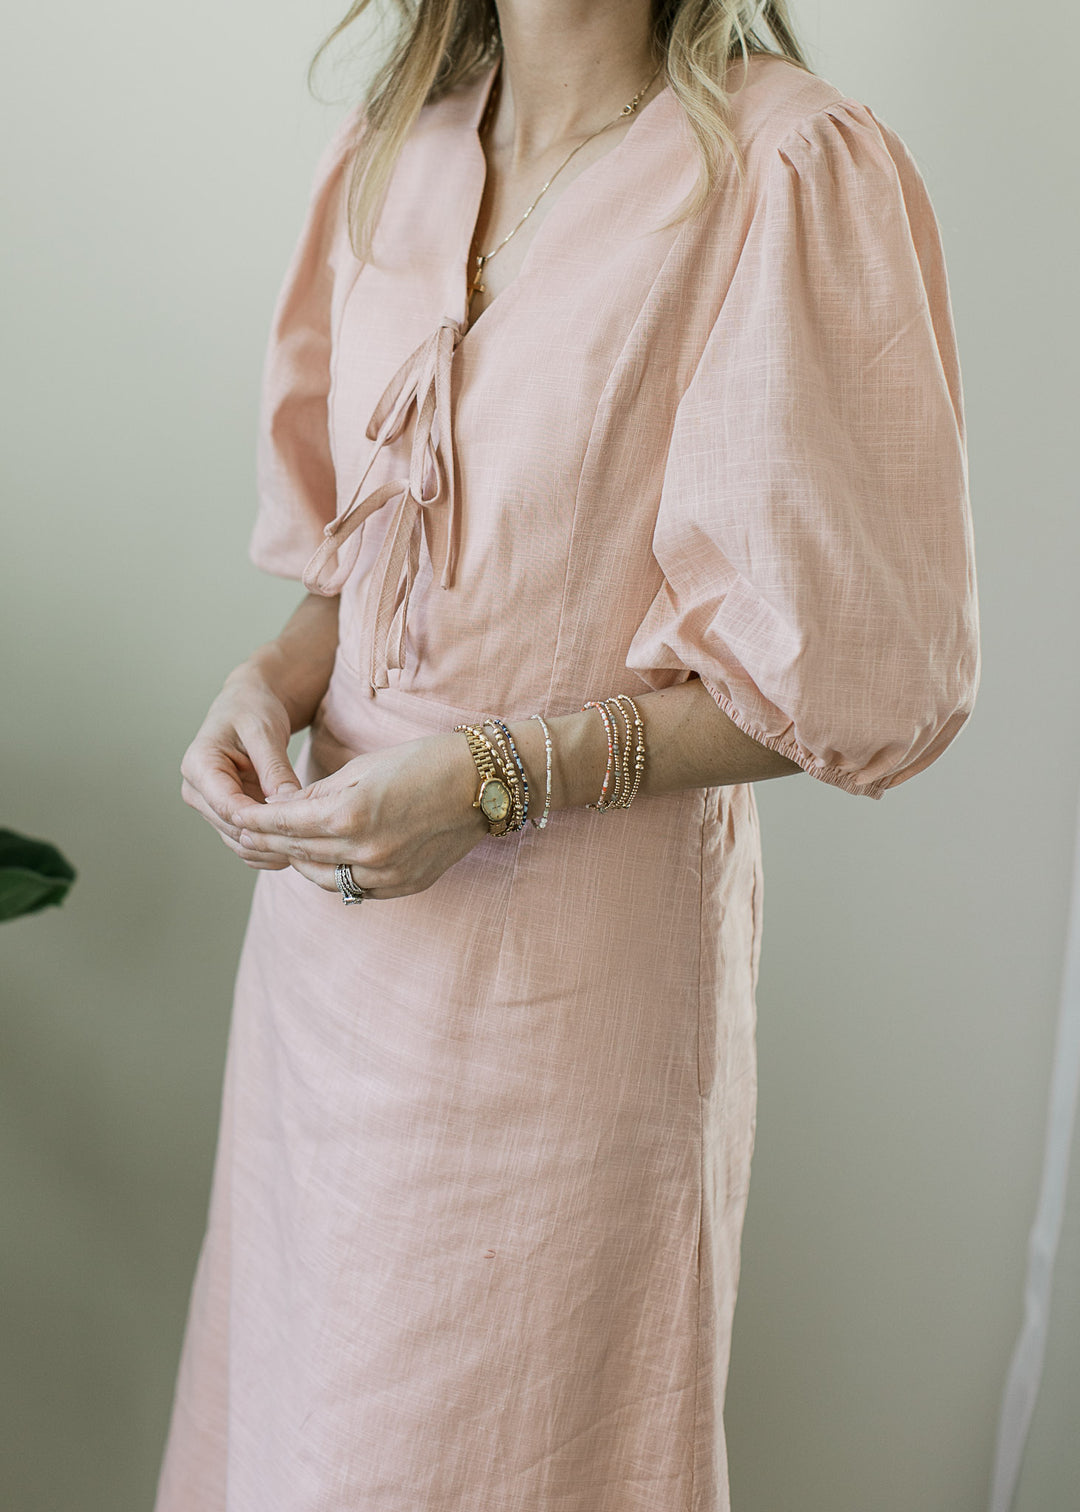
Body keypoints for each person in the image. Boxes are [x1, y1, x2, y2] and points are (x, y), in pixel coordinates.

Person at [156, 0, 980, 1506]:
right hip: (318, 990)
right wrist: (267, 679)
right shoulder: (395, 146)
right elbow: (361, 567)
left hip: (560, 1021)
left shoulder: (787, 168)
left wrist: (491, 779)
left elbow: (846, 685)